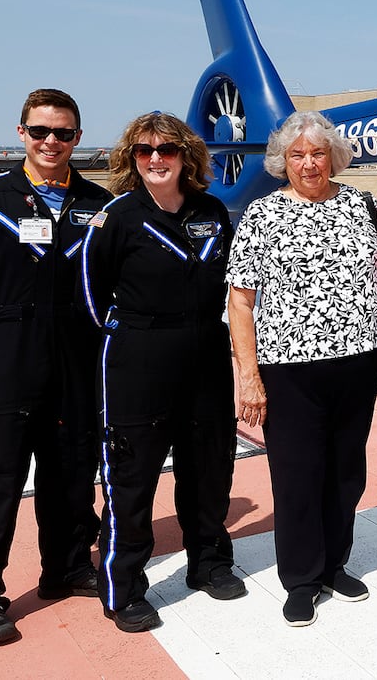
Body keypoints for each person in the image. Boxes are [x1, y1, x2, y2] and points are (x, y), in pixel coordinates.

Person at [0, 88, 113, 647]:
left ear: (78, 138)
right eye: (40, 132)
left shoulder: (99, 205)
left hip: (77, 366)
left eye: (63, 133)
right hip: (7, 363)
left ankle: (65, 568)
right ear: (21, 134)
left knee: (71, 474)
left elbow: (109, 278)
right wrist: (1, 320)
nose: (51, 142)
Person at [226, 111, 377, 627]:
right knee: (298, 474)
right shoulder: (261, 216)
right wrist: (248, 375)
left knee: (346, 471)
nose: (308, 163)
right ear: (283, 162)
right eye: (297, 155)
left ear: (333, 157)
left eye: (317, 153)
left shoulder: (364, 207)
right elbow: (241, 301)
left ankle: (333, 565)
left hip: (357, 364)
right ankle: (300, 578)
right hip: (290, 370)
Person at [79, 112, 244, 632]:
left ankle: (209, 562)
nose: (156, 158)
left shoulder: (212, 210)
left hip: (204, 352)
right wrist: (120, 343)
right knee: (132, 477)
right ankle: (123, 586)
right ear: (132, 157)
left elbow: (235, 283)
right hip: (138, 357)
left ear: (185, 155)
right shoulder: (117, 217)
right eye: (144, 150)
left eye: (167, 149)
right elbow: (89, 293)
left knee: (210, 466)